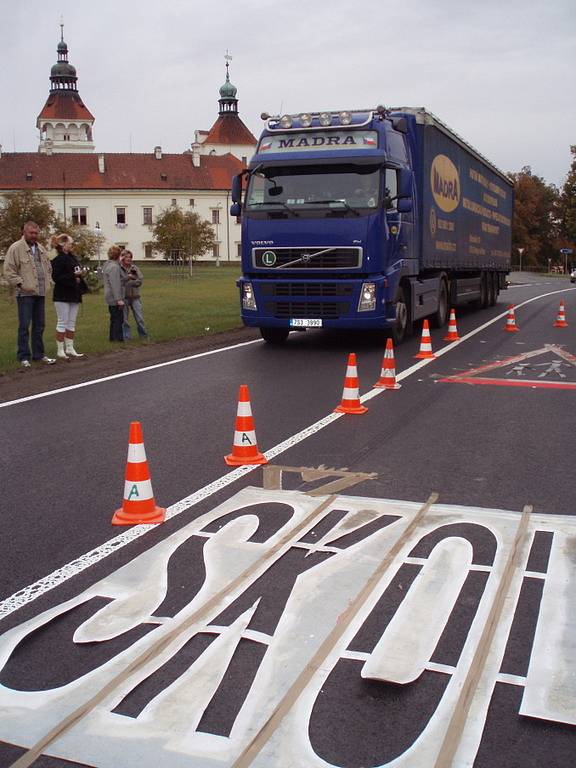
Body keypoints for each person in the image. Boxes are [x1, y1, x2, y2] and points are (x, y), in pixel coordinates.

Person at [2, 221, 55, 367]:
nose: (34, 236)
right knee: (24, 325)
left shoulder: (41, 249)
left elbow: (48, 268)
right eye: (31, 233)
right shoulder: (16, 248)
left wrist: (49, 282)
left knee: (40, 325)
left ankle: (39, 354)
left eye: (36, 233)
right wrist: (21, 284)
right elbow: (8, 270)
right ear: (24, 232)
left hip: (40, 293)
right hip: (25, 294)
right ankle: (23, 356)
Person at [50, 233, 88, 359]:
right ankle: (60, 350)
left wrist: (79, 277)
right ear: (63, 244)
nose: (72, 246)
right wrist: (73, 276)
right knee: (62, 322)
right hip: (62, 295)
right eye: (70, 243)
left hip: (74, 293)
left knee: (71, 322)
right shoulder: (57, 260)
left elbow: (76, 272)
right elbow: (56, 277)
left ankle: (70, 348)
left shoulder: (72, 258)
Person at [120, 250, 147, 340]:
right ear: (123, 258)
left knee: (139, 318)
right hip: (124, 297)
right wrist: (129, 278)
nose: (129, 259)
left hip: (135, 297)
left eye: (130, 257)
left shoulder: (134, 268)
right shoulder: (119, 269)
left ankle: (143, 336)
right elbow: (119, 282)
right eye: (127, 257)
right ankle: (126, 337)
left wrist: (131, 282)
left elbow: (140, 280)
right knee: (124, 320)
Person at [102, 245, 125, 342]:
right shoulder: (114, 267)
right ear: (118, 255)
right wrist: (119, 299)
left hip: (109, 295)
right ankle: (117, 339)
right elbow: (115, 284)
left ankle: (113, 338)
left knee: (114, 318)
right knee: (118, 319)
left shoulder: (107, 265)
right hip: (114, 297)